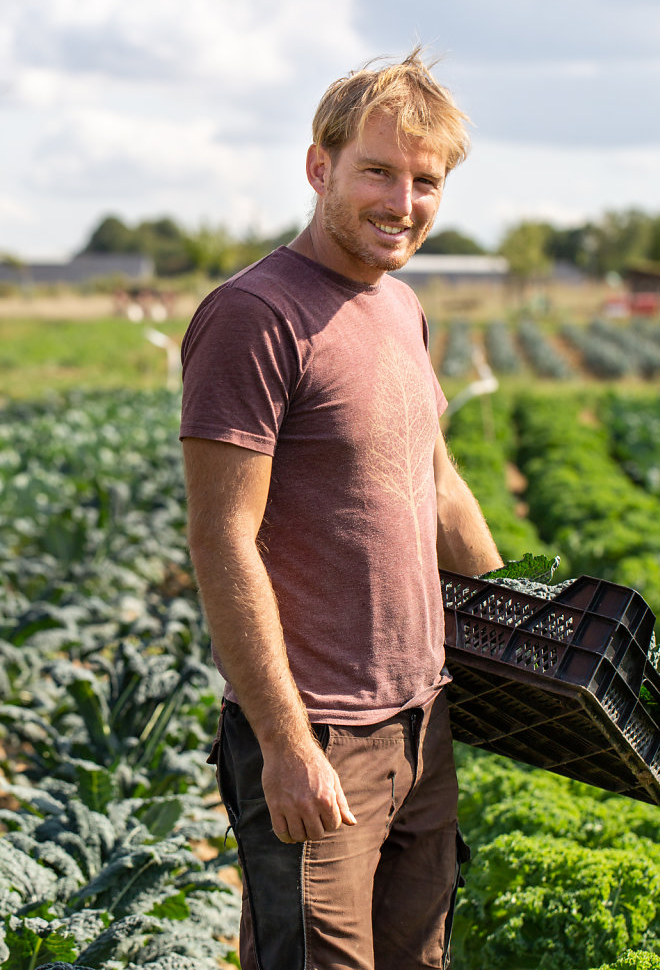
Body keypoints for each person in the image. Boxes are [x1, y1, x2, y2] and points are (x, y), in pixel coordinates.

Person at [180, 47, 502, 970]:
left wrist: (521, 625)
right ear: (318, 167)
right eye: (377, 172)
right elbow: (222, 537)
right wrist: (284, 744)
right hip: (317, 733)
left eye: (424, 181)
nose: (402, 202)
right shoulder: (256, 314)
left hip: (419, 716)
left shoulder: (400, 307)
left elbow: (438, 488)